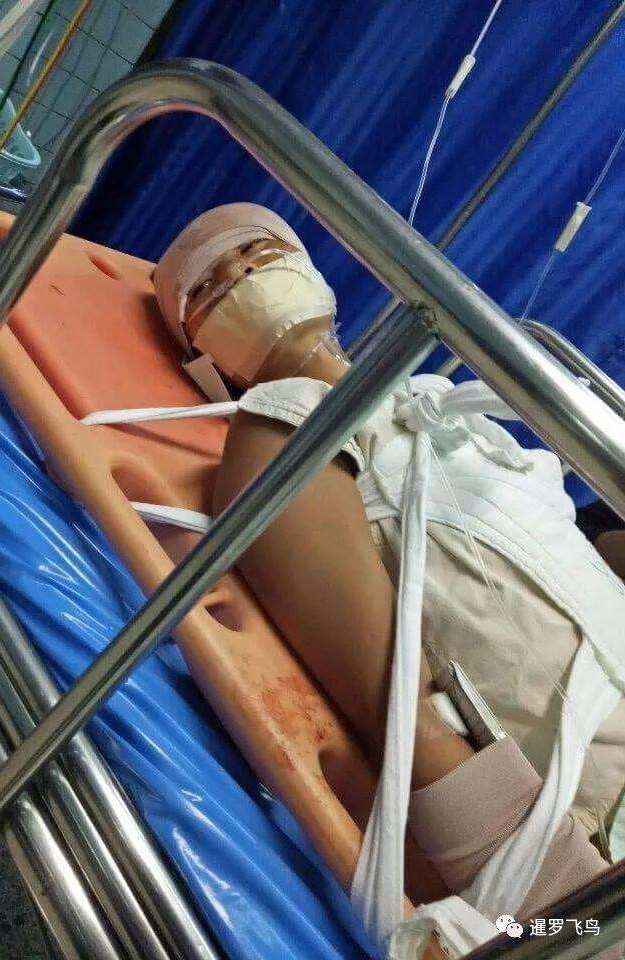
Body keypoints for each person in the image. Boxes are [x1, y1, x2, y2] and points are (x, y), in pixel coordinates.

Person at [152, 203, 625, 950]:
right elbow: (395, 707)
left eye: (260, 254)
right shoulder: (277, 430)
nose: (240, 272)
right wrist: (531, 876)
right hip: (579, 855)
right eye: (208, 288)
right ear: (202, 358)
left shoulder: (448, 403)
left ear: (314, 276)